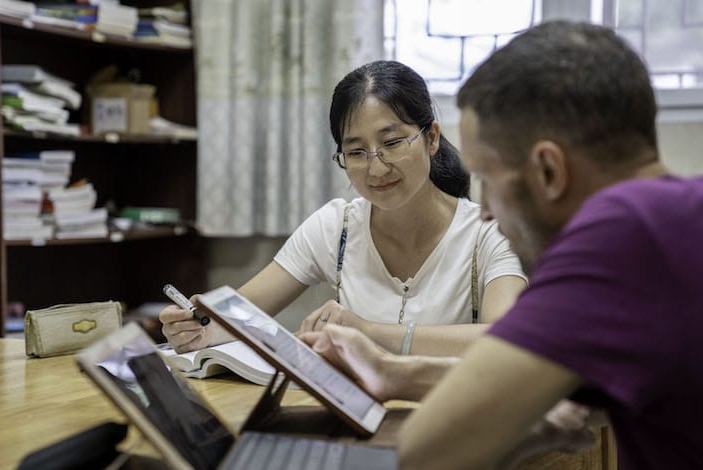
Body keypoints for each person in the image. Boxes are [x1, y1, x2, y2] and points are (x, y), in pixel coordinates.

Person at [301, 21, 703, 470]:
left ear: (549, 170)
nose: (486, 209)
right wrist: (394, 372)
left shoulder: (619, 239)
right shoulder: (674, 222)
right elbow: (564, 386)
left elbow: (421, 454)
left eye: (488, 180)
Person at [161, 60, 526, 356]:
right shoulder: (337, 225)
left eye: (393, 142)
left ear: (430, 138)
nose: (376, 168)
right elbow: (238, 313)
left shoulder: (489, 235)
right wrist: (197, 330)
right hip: (357, 420)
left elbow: (507, 340)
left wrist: (368, 332)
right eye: (355, 152)